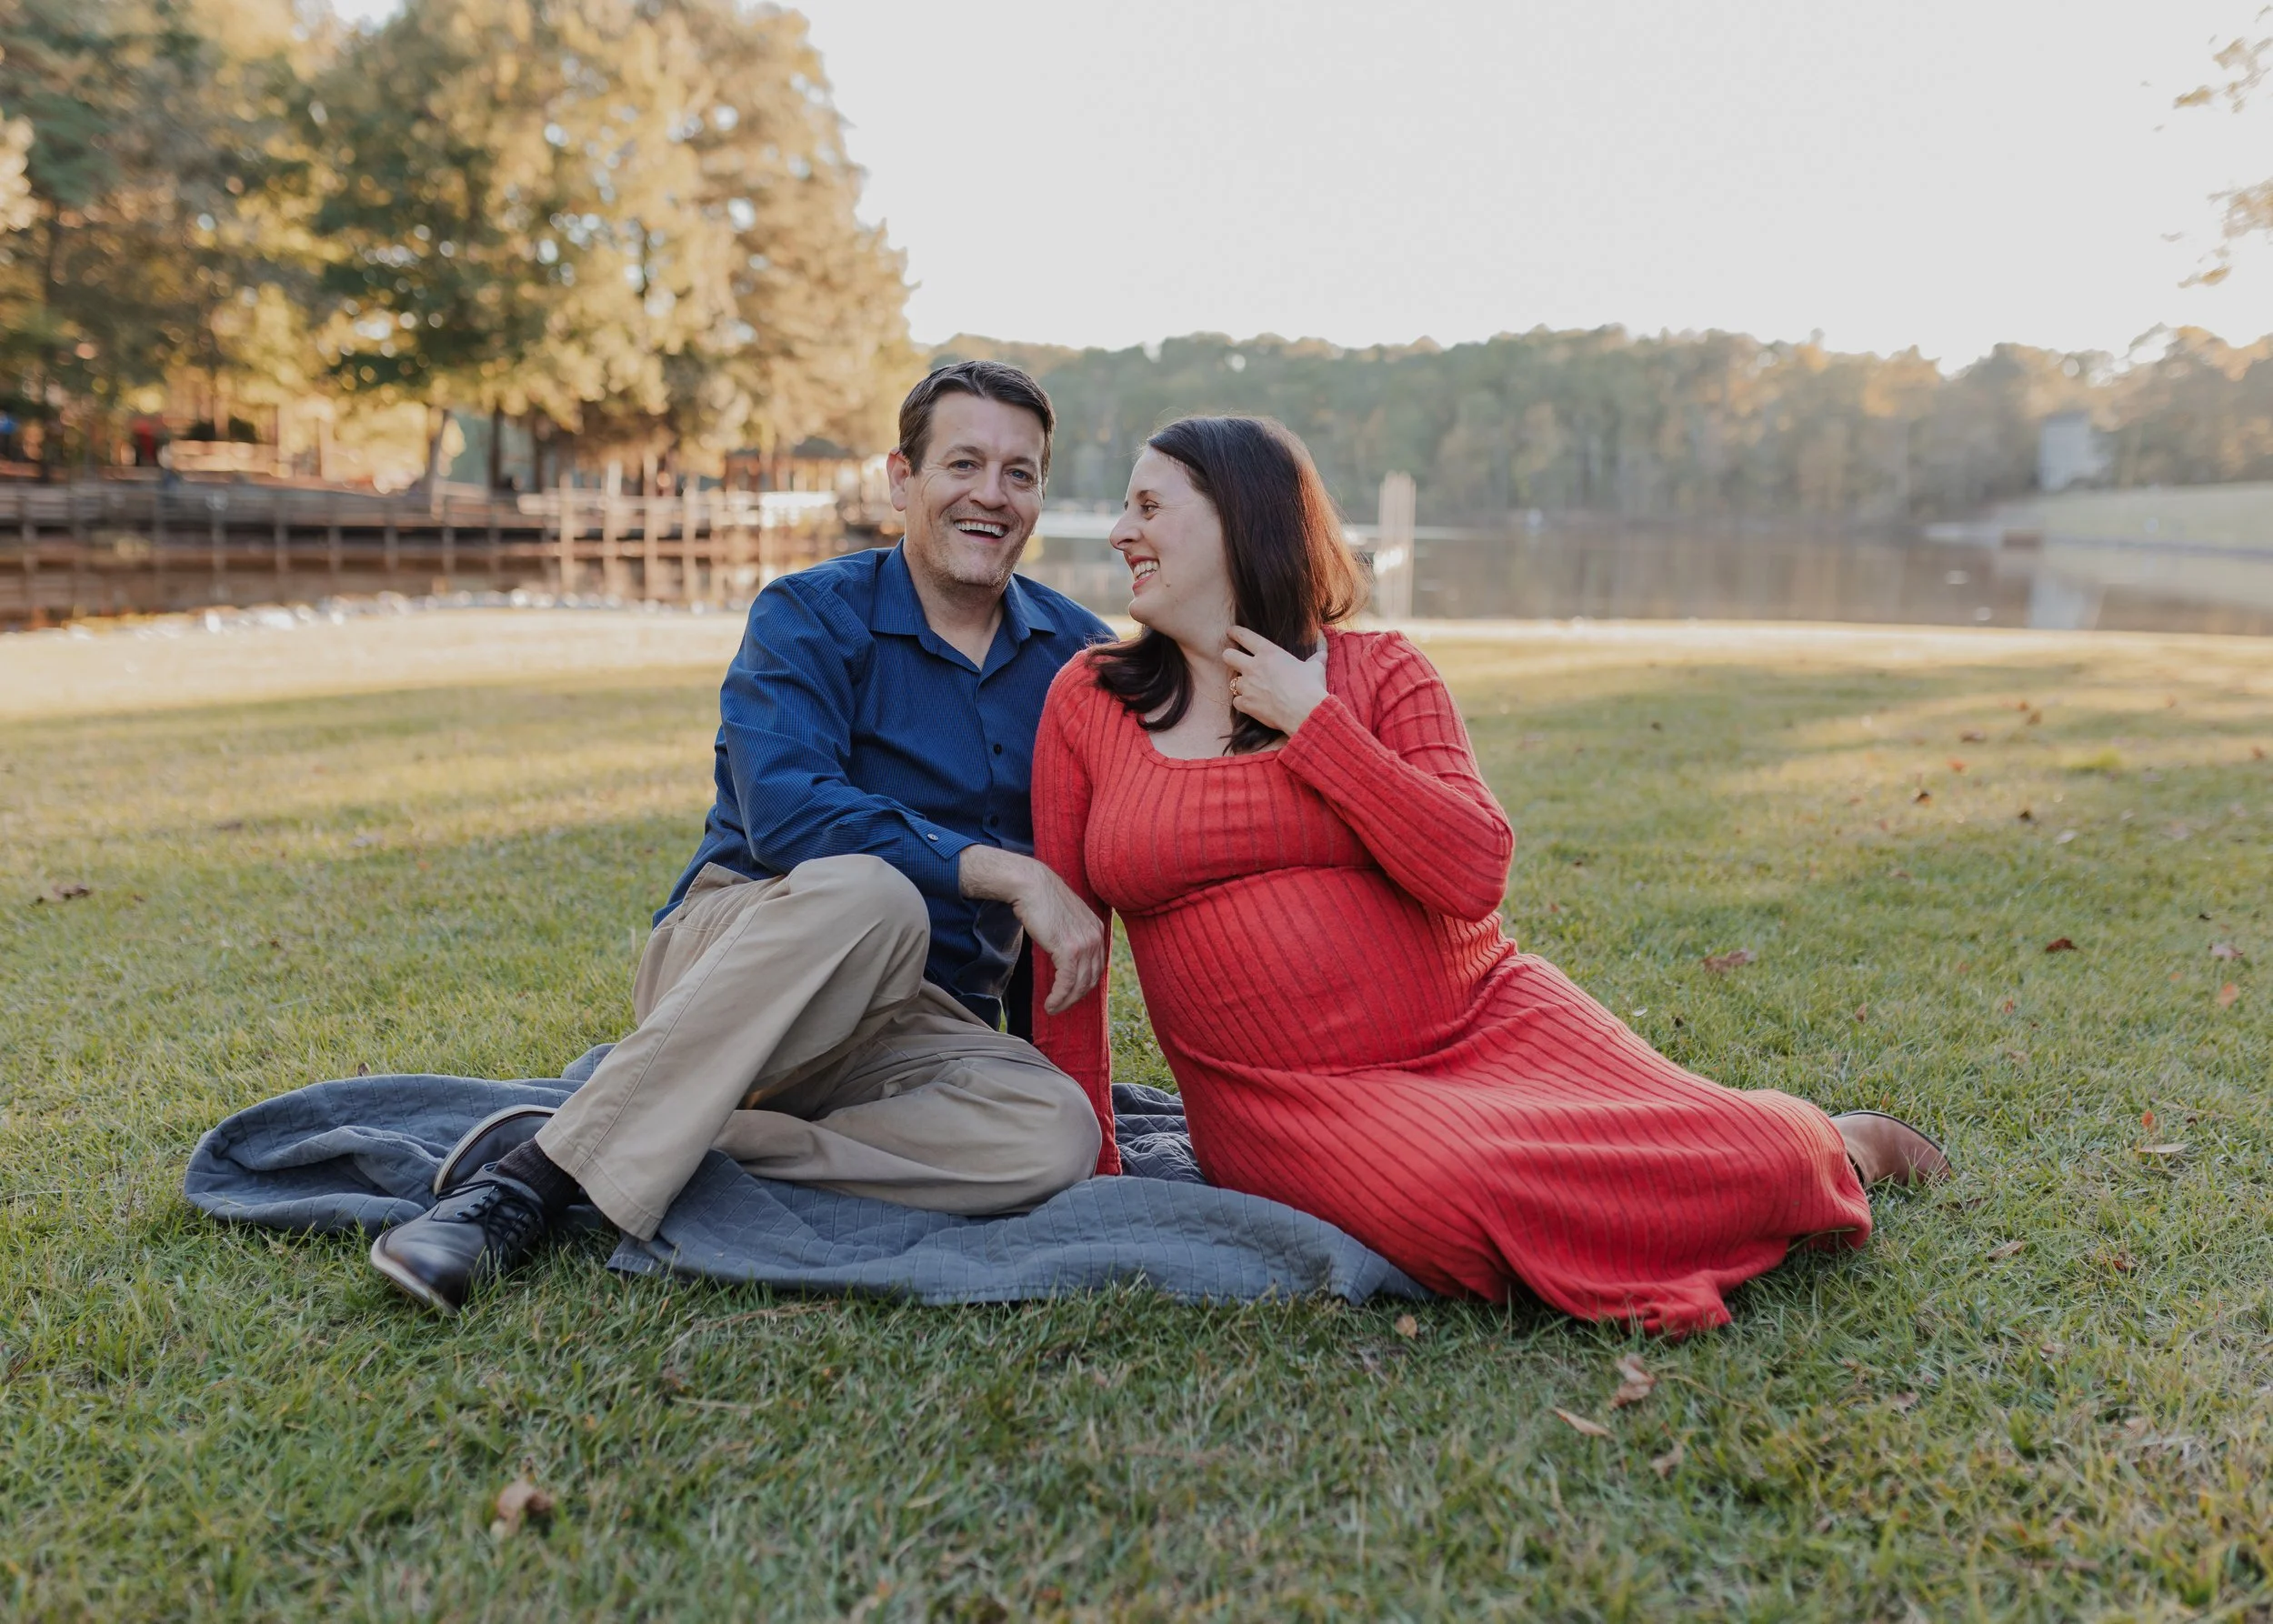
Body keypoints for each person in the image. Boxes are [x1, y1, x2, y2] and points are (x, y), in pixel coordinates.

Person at [1027, 415, 1950, 1336]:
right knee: (1453, 1198)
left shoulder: (1380, 674)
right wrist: (1092, 1164)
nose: (1119, 532)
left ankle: (1840, 1141)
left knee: (1767, 1154)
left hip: (1489, 1020)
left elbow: (1472, 872)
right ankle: (1676, 1183)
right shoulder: (1089, 699)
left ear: (1241, 518)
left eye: (1147, 506)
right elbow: (1068, 954)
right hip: (1289, 1097)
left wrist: (1316, 726)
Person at [370, 361, 1116, 1314]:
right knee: (873, 896)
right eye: (962, 462)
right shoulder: (806, 615)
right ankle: (518, 1185)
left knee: (1053, 1133)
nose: (991, 494)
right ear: (901, 479)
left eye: (1020, 473)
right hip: (748, 950)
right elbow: (792, 813)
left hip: (915, 1028)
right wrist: (1001, 872)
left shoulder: (1079, 656)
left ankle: (678, 1131)